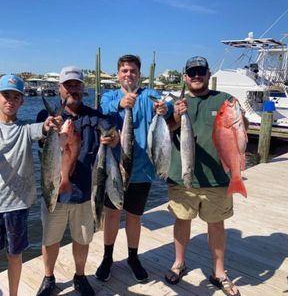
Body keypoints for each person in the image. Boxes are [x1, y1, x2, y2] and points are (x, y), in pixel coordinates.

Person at [0, 74, 61, 296]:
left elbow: (42, 129)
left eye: (16, 97)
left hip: (18, 204)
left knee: (15, 256)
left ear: (22, 101)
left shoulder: (25, 129)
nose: (10, 100)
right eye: (6, 95)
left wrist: (49, 124)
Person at [165, 56, 247, 296]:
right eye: (192, 72)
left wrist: (241, 121)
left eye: (201, 71)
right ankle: (179, 262)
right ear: (185, 77)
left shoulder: (225, 101)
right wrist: (177, 116)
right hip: (182, 177)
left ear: (208, 73)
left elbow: (243, 136)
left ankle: (219, 271)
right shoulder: (177, 103)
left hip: (218, 179)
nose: (196, 76)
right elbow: (167, 130)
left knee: (216, 225)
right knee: (181, 221)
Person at [35, 66, 119, 296]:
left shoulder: (94, 116)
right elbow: (41, 140)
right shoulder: (47, 117)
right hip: (54, 192)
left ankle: (80, 276)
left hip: (84, 192)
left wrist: (113, 137)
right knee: (50, 239)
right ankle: (49, 277)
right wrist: (50, 129)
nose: (73, 89)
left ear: (84, 88)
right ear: (59, 88)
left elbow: (112, 128)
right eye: (68, 85)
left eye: (77, 85)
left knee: (82, 239)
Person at [96, 54, 172, 283]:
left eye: (132, 71)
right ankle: (107, 257)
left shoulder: (149, 95)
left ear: (139, 74)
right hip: (115, 168)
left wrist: (163, 108)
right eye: (124, 71)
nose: (128, 74)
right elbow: (103, 111)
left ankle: (132, 257)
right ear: (118, 74)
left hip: (141, 169)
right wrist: (120, 104)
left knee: (134, 216)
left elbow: (166, 107)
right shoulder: (110, 96)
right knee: (111, 214)